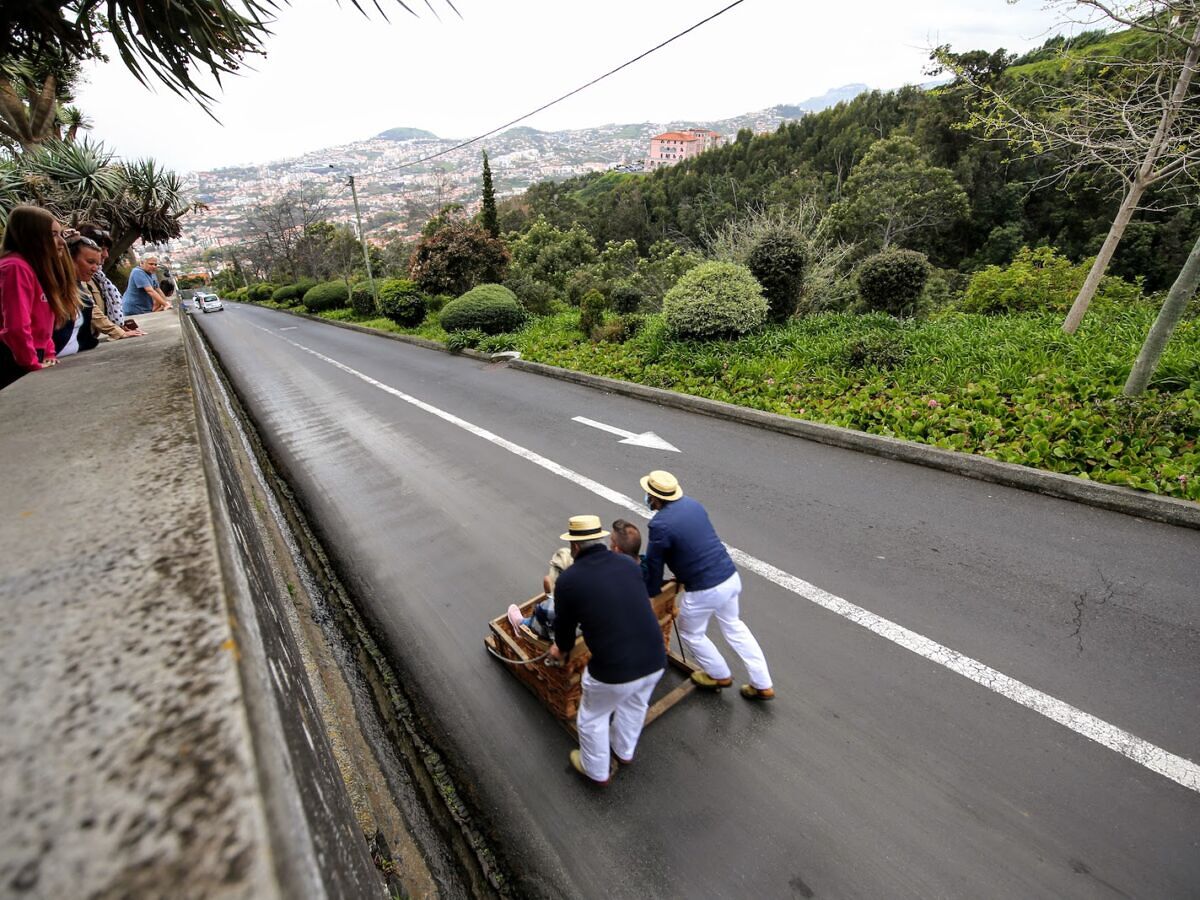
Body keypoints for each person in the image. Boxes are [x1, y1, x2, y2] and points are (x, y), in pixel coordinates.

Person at [550, 515, 667, 784]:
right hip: (654, 659)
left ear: (575, 547)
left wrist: (561, 651)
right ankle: (623, 751)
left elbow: (565, 633)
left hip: (613, 672)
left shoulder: (568, 581)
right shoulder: (628, 564)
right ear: (601, 539)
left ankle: (596, 770)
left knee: (592, 717)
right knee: (634, 704)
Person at [641, 470, 775, 701]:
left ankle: (718, 674)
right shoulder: (693, 505)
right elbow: (693, 544)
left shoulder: (660, 525)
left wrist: (653, 593)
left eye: (649, 495)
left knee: (691, 632)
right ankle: (763, 684)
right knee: (735, 627)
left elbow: (654, 565)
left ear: (655, 498)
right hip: (729, 577)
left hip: (705, 588)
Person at [0, 206, 76, 389]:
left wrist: (49, 352)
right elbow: (16, 325)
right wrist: (31, 362)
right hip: (12, 361)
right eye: (53, 235)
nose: (61, 242)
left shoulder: (34, 267)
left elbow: (43, 320)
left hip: (34, 355)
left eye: (61, 234)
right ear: (32, 237)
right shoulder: (15, 267)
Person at [77, 224, 144, 338]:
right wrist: (117, 331)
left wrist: (119, 327)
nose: (106, 254)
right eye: (102, 249)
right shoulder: (81, 277)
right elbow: (90, 308)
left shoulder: (98, 277)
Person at [507, 547, 572, 639]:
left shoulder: (546, 609)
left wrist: (538, 611)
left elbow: (535, 629)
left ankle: (520, 625)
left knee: (535, 620)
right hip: (581, 637)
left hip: (557, 640)